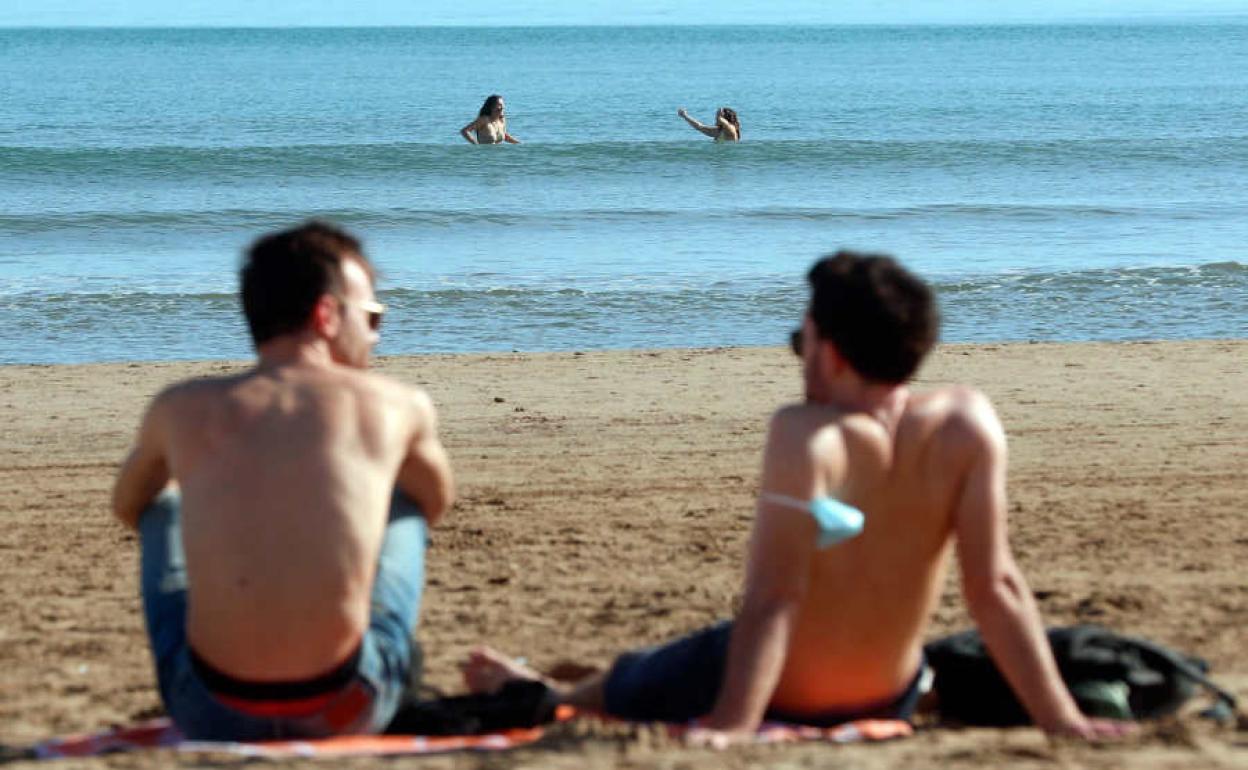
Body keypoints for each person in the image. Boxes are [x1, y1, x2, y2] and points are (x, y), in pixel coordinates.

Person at [462, 251, 1133, 744]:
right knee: (690, 656)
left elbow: (773, 598)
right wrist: (1062, 721)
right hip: (892, 693)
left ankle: (547, 695)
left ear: (832, 353)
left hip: (791, 691)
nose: (797, 358)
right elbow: (997, 588)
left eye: (801, 342)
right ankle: (549, 688)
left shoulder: (806, 435)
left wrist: (732, 725)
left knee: (644, 675)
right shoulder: (969, 422)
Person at [112, 221, 454, 740]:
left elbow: (128, 505)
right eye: (372, 317)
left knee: (165, 509)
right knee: (401, 505)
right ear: (326, 315)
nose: (378, 333)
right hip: (350, 706)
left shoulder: (179, 406)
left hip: (208, 710)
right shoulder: (395, 404)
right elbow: (433, 501)